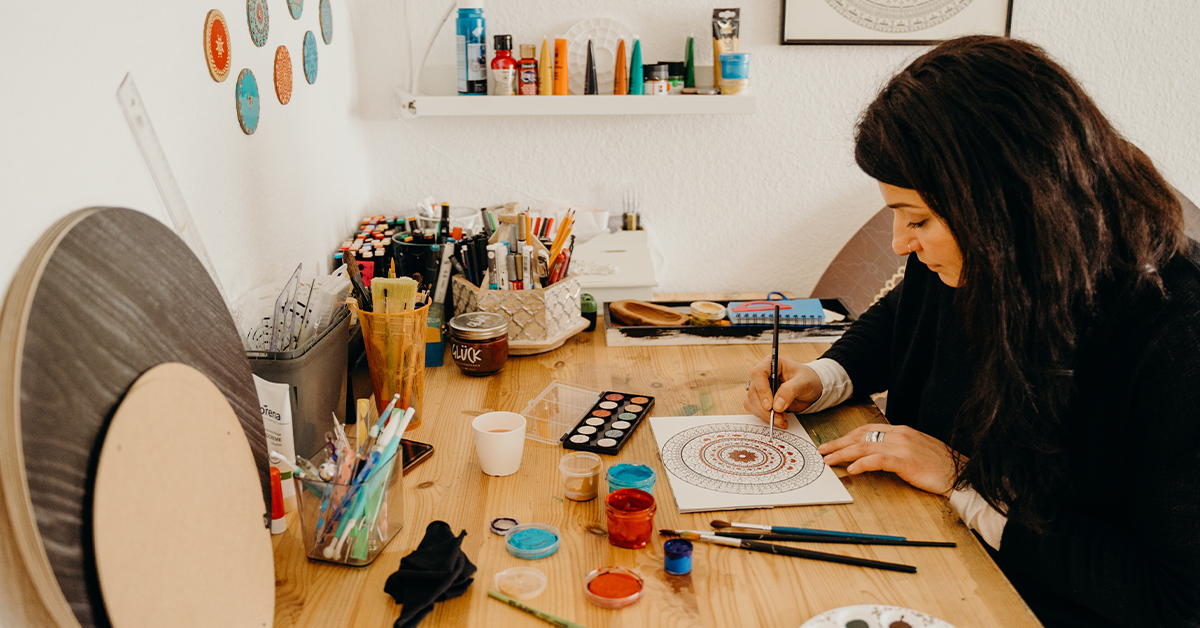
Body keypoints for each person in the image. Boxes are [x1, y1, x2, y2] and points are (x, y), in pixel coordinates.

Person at [745, 36, 1200, 628]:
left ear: (1009, 202)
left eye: (918, 220)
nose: (900, 244)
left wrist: (964, 481)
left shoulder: (1176, 336)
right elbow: (904, 314)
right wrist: (823, 377)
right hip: (945, 549)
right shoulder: (984, 252)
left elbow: (1174, 600)